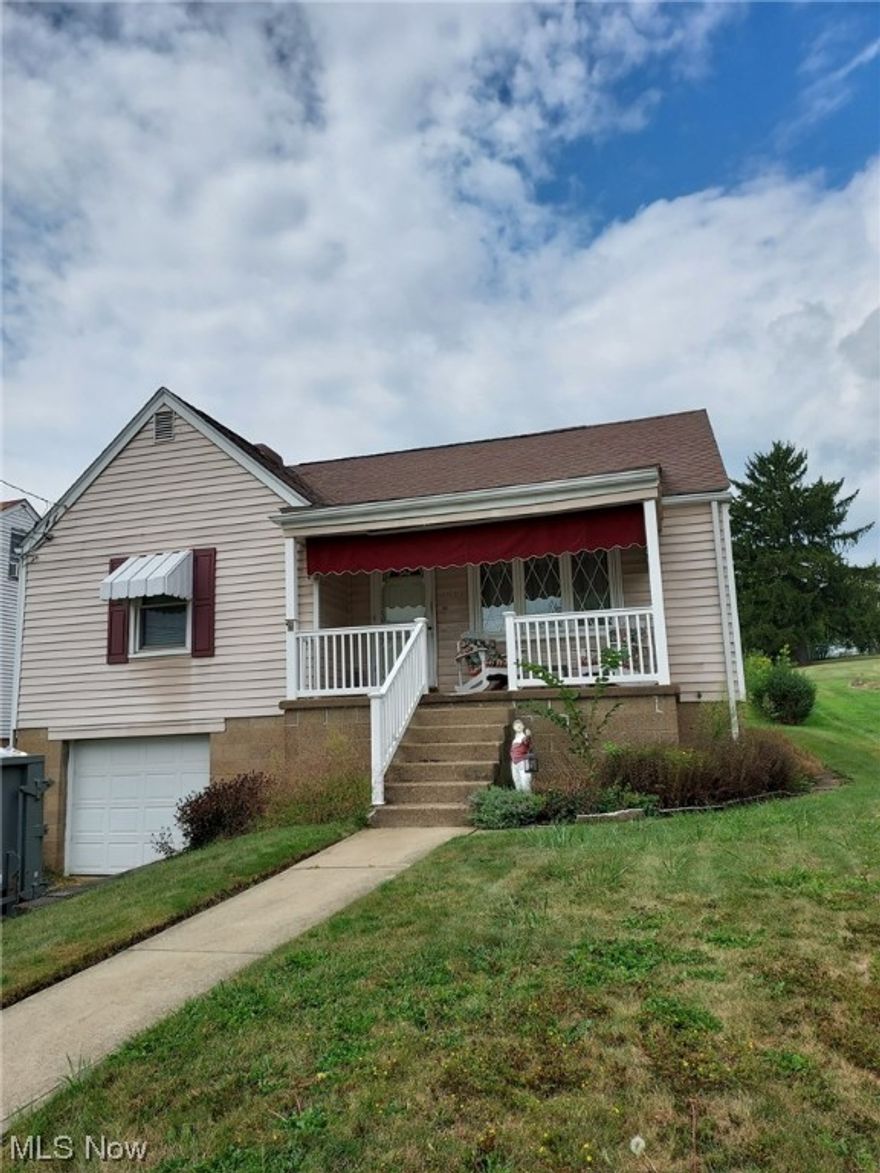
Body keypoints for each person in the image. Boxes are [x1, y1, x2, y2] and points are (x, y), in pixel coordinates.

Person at [510, 719, 534, 792]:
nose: (518, 725)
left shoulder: (523, 737)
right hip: (514, 763)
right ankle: (520, 800)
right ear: (513, 727)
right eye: (516, 724)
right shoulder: (515, 738)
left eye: (520, 724)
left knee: (525, 782)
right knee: (517, 782)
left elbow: (527, 741)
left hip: (523, 761)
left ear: (523, 726)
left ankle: (528, 799)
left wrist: (528, 736)